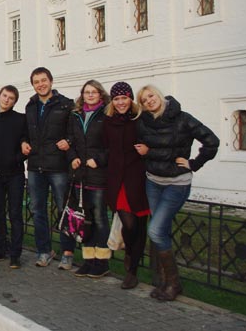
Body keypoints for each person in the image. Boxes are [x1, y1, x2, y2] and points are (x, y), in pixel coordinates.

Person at [135, 85, 219, 301]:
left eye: (151, 96)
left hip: (176, 184)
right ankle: (164, 281)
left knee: (155, 230)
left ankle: (174, 283)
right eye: (144, 100)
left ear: (159, 95)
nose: (149, 101)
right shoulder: (144, 121)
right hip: (153, 182)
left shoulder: (182, 118)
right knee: (161, 231)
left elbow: (212, 141)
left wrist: (194, 163)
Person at [21, 67, 75, 269]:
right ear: (33, 85)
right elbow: (25, 131)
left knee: (64, 209)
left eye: (44, 80)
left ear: (51, 81)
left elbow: (73, 131)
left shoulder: (65, 104)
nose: (41, 84)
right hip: (36, 165)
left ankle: (67, 252)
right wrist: (23, 142)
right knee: (37, 210)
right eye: (36, 81)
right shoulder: (31, 105)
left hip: (58, 165)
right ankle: (44, 250)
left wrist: (68, 140)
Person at [103, 82, 150, 289]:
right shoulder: (108, 122)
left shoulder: (140, 120)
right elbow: (103, 147)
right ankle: (130, 254)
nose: (120, 102)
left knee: (139, 226)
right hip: (116, 179)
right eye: (116, 99)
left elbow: (153, 139)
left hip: (137, 178)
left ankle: (132, 270)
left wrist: (148, 149)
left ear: (130, 99)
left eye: (124, 98)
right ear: (112, 101)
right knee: (128, 224)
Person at [67, 80, 111, 278]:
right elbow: (70, 141)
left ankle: (102, 261)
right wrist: (73, 157)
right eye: (87, 92)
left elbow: (112, 145)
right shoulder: (76, 115)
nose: (90, 95)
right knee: (85, 219)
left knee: (100, 218)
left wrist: (99, 160)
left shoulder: (106, 115)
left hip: (98, 174)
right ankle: (87, 259)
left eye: (94, 92)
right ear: (82, 95)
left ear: (100, 95)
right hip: (80, 174)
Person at [0, 85, 28, 268]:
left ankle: (15, 254)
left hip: (15, 174)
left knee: (15, 214)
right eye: (4, 96)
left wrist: (16, 159)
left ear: (14, 101)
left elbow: (27, 144)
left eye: (10, 97)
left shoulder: (20, 119)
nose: (6, 100)